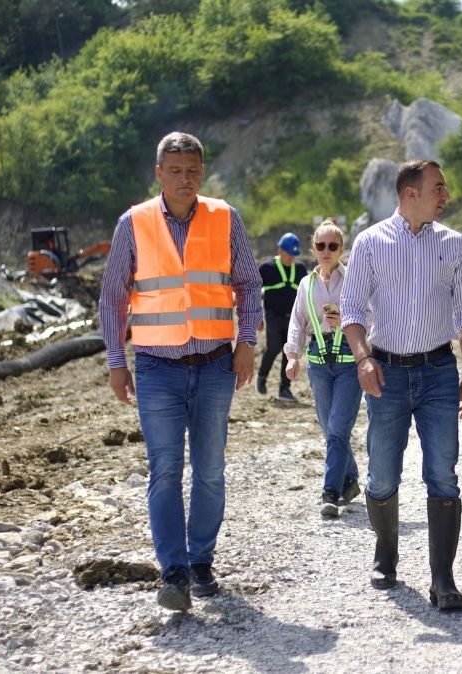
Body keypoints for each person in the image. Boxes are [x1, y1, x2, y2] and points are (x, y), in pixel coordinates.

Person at [98, 132, 263, 612]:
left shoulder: (225, 217)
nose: (184, 179)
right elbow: (113, 296)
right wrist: (115, 361)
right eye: (175, 171)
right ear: (159, 174)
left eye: (192, 170)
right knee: (164, 470)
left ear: (202, 172)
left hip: (214, 364)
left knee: (209, 470)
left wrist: (246, 342)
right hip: (155, 368)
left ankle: (200, 560)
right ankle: (172, 572)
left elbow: (248, 285)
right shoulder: (134, 223)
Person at [340, 159, 462, 611]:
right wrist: (362, 358)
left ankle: (443, 577)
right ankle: (386, 553)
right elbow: (352, 312)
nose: (446, 195)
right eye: (438, 188)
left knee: (443, 471)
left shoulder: (454, 244)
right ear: (409, 193)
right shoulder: (370, 242)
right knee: (383, 473)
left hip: (440, 371)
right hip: (386, 373)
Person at [285, 220, 362, 519]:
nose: (326, 251)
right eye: (321, 246)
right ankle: (351, 479)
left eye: (333, 246)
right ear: (313, 249)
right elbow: (297, 322)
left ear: (342, 249)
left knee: (338, 429)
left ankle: (330, 492)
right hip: (318, 364)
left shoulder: (353, 279)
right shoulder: (306, 284)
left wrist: (348, 321)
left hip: (347, 363)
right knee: (330, 430)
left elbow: (370, 315)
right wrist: (293, 356)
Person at [258, 232, 307, 401]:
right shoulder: (267, 268)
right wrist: (257, 316)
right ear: (280, 250)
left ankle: (284, 389)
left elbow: (306, 295)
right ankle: (262, 378)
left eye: (294, 255)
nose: (291, 258)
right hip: (272, 315)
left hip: (292, 318)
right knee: (274, 347)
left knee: (290, 351)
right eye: (288, 254)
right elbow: (254, 291)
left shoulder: (300, 269)